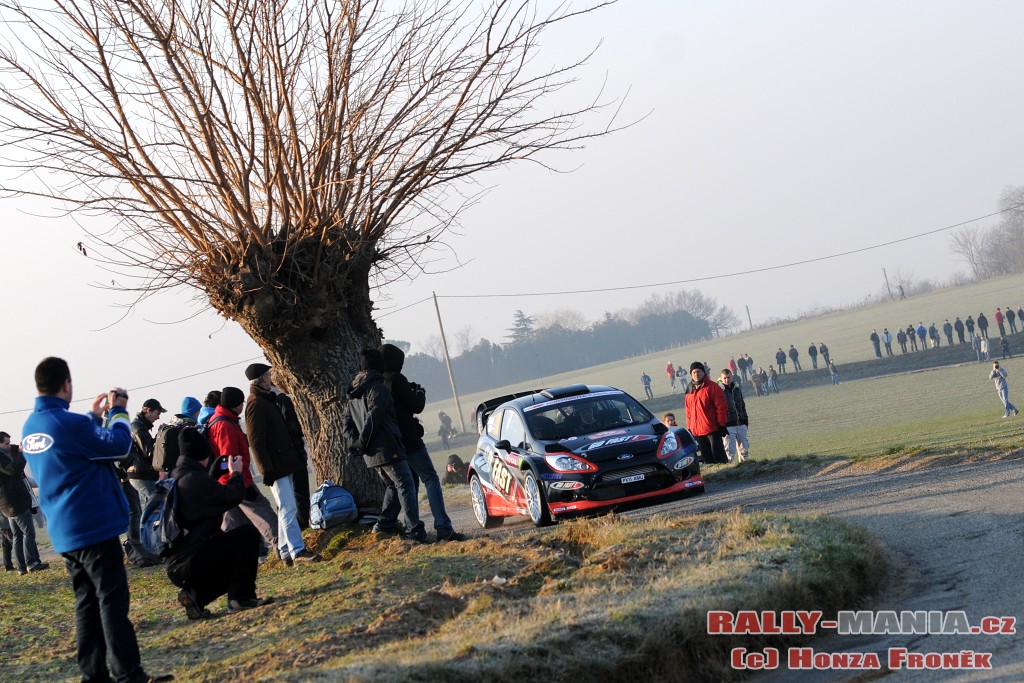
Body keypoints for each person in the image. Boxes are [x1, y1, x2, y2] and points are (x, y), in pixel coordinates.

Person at [20, 357, 171, 683]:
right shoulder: (68, 424)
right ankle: (128, 673)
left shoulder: (32, 426)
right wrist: (118, 412)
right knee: (112, 602)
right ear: (66, 384)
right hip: (92, 526)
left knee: (86, 604)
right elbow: (118, 446)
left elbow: (72, 443)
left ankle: (93, 675)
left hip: (65, 531)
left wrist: (92, 416)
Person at [167, 427, 273, 619]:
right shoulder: (194, 480)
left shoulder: (178, 476)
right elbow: (231, 496)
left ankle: (196, 598)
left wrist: (213, 476)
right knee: (248, 535)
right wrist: (236, 475)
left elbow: (200, 502)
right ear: (201, 453)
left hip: (179, 562)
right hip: (191, 561)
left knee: (230, 554)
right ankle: (241, 598)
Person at [344, 349, 428, 543]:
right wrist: (363, 442)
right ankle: (414, 530)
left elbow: (347, 422)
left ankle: (384, 524)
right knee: (407, 484)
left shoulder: (354, 391)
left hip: (371, 453)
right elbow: (375, 418)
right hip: (388, 448)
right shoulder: (377, 389)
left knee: (394, 485)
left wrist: (356, 443)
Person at [381, 343, 463, 543]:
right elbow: (416, 405)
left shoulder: (379, 382)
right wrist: (420, 392)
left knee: (410, 485)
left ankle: (413, 529)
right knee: (431, 479)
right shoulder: (396, 379)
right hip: (410, 438)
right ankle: (443, 527)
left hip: (393, 442)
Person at [244, 364, 320, 565]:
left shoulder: (266, 400)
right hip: (275, 466)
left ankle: (286, 550)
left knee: (286, 506)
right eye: (268, 375)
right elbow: (256, 441)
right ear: (260, 380)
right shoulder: (255, 404)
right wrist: (265, 469)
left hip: (282, 462)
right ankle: (298, 550)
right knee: (288, 506)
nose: (271, 378)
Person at [208, 386, 283, 565]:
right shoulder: (225, 425)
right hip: (236, 481)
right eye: (241, 403)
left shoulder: (217, 420)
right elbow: (230, 457)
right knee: (263, 512)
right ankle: (283, 545)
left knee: (232, 524)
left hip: (224, 482)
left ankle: (226, 558)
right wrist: (240, 483)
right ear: (236, 405)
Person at [0, 434, 48, 575]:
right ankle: (31, 563)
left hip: (9, 504)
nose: (10, 445)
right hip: (14, 503)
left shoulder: (4, 455)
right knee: (28, 533)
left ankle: (22, 567)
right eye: (7, 443)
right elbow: (14, 470)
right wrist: (22, 453)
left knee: (17, 536)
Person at [271, 383, 312, 530]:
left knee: (284, 498)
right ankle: (303, 524)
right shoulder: (283, 400)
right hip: (293, 452)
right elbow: (294, 426)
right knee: (300, 492)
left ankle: (290, 528)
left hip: (279, 456)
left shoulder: (264, 402)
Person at [683, 362, 729, 465]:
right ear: (691, 374)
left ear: (704, 372)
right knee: (707, 459)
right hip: (697, 431)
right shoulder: (689, 391)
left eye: (698, 371)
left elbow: (721, 407)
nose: (696, 374)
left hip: (712, 428)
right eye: (694, 372)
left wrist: (722, 424)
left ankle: (726, 474)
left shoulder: (713, 387)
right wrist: (690, 427)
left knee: (718, 457)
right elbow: (688, 412)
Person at [128, 398, 166, 507]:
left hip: (141, 473)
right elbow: (148, 451)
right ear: (148, 410)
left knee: (147, 508)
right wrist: (160, 435)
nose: (158, 417)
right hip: (141, 473)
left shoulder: (139, 425)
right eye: (157, 413)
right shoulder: (138, 426)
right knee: (156, 506)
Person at [717, 370, 749, 463]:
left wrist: (745, 421)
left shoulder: (737, 389)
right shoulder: (719, 391)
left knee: (744, 448)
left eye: (729, 377)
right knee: (729, 450)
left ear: (732, 377)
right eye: (725, 378)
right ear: (721, 378)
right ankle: (729, 469)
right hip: (728, 425)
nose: (727, 380)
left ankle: (746, 466)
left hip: (741, 423)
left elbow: (742, 405)